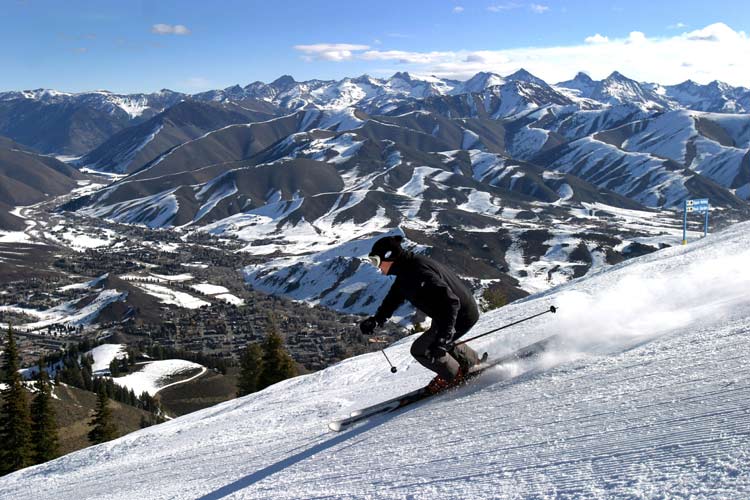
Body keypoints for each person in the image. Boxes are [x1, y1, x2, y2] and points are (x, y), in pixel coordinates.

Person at [359, 235, 482, 393]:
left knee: (422, 349)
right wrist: (377, 320)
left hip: (460, 315)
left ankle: (453, 376)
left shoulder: (417, 272)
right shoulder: (407, 269)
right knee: (437, 338)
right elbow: (394, 297)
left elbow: (451, 302)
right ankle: (472, 362)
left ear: (390, 257)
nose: (376, 266)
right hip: (452, 313)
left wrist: (443, 338)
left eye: (376, 261)